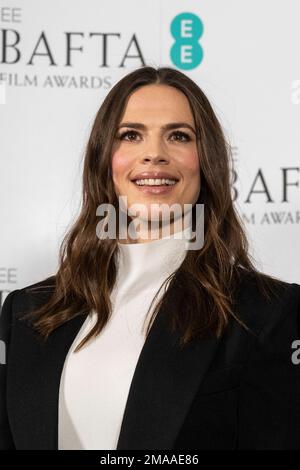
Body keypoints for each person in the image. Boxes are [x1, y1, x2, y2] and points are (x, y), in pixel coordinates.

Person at [1, 65, 300, 451]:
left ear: (206, 160)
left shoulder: (268, 312)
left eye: (178, 136)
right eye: (131, 135)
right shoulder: (25, 312)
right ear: (104, 160)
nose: (154, 154)